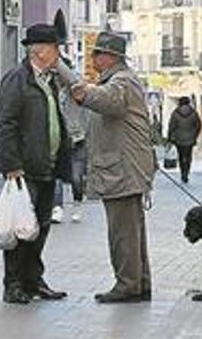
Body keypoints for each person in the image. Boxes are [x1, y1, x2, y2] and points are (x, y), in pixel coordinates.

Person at [71, 31, 154, 304]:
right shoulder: (120, 80)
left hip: (123, 169)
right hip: (126, 167)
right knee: (131, 230)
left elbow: (108, 101)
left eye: (97, 53)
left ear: (110, 57)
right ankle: (138, 282)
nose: (93, 58)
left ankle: (128, 284)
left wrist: (84, 92)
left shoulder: (121, 82)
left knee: (123, 232)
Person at [0, 23, 70, 305]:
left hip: (46, 165)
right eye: (55, 48)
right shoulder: (18, 79)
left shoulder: (48, 80)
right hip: (24, 167)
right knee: (20, 227)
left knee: (41, 226)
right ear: (39, 51)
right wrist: (12, 164)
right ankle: (13, 283)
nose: (58, 53)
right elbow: (6, 123)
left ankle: (33, 279)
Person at [52, 57, 88, 223]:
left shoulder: (76, 90)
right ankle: (57, 207)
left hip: (76, 138)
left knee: (76, 177)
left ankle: (77, 205)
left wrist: (55, 60)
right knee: (56, 175)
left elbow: (77, 82)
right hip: (59, 139)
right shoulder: (51, 89)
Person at [168, 96, 202, 183]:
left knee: (181, 156)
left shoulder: (175, 113)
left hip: (179, 139)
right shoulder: (193, 113)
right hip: (190, 139)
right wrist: (194, 135)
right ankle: (186, 173)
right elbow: (198, 125)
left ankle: (182, 172)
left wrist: (170, 138)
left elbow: (171, 126)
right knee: (188, 156)